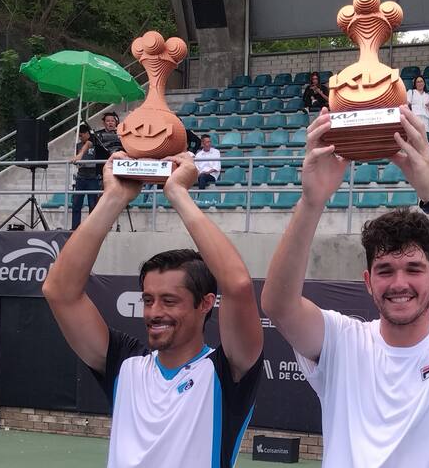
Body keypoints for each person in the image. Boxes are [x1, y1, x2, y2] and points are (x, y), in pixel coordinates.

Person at [260, 105, 429, 467]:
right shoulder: (341, 341)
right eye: (385, 270)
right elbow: (278, 306)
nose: (399, 283)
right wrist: (311, 201)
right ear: (368, 282)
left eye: (414, 269)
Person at [42, 151, 263, 468]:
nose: (154, 312)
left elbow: (238, 284)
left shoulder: (228, 369)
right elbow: (59, 291)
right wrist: (113, 198)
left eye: (169, 301)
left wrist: (177, 193)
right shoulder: (125, 365)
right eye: (148, 300)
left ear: (205, 303)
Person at [69, 124, 100, 231]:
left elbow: (88, 144)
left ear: (87, 133)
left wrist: (80, 155)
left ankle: (92, 228)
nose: (80, 138)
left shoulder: (95, 142)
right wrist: (77, 161)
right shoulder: (78, 145)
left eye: (82, 135)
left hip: (93, 177)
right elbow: (78, 157)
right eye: (79, 136)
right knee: (76, 204)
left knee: (93, 204)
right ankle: (75, 228)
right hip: (81, 177)